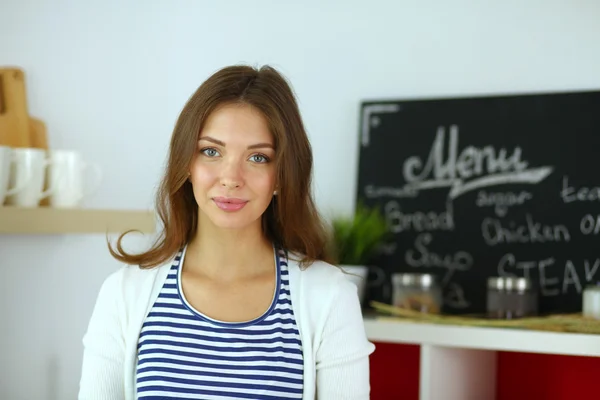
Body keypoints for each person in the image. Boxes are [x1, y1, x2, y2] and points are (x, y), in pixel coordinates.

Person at [78, 64, 375, 400]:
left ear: (282, 176)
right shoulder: (124, 294)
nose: (231, 177)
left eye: (258, 157)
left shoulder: (329, 297)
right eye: (211, 151)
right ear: (186, 165)